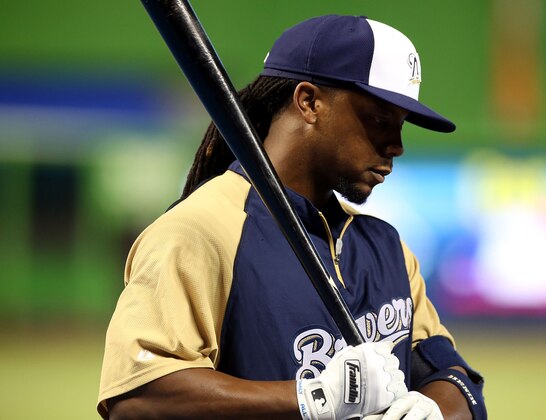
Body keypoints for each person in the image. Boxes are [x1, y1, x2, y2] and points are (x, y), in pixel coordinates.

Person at [98, 14, 486, 420]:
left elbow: (450, 373)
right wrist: (314, 398)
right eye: (380, 119)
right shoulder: (200, 231)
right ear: (309, 102)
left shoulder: (386, 247)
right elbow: (137, 401)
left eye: (401, 125)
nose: (396, 145)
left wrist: (436, 411)